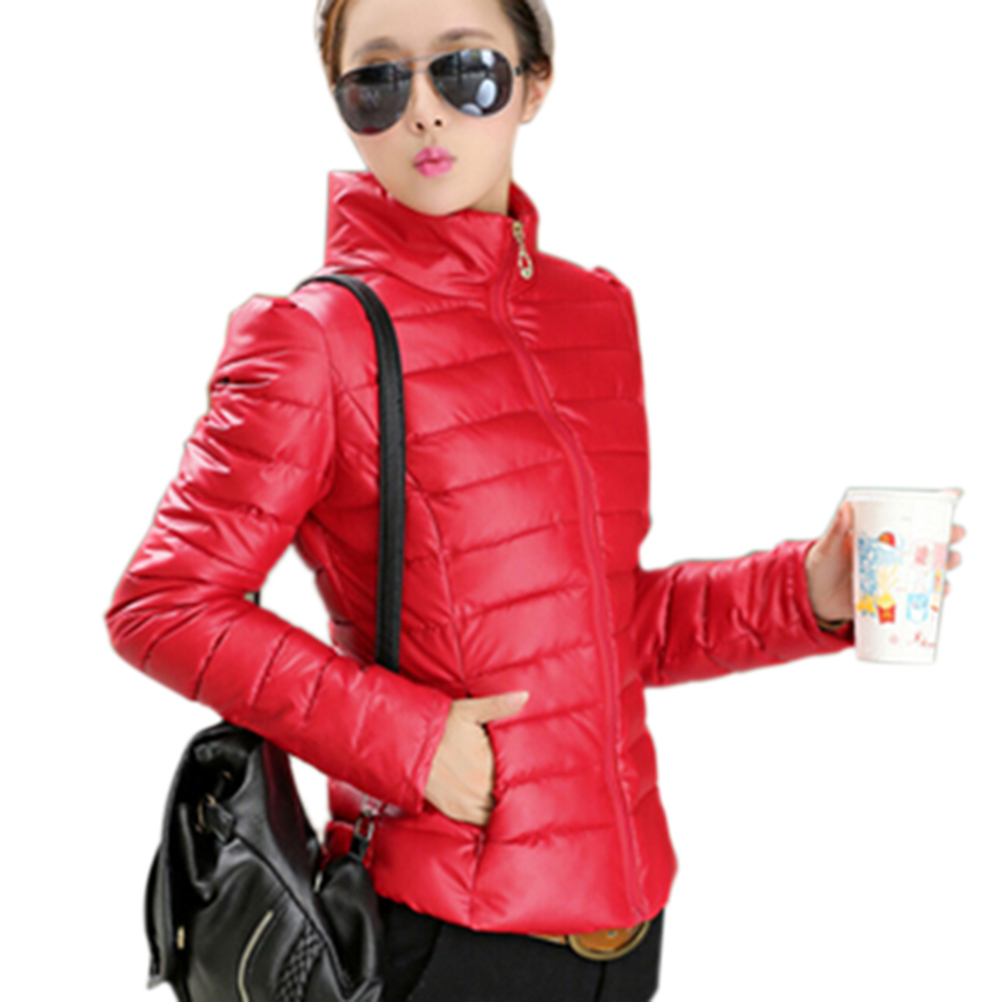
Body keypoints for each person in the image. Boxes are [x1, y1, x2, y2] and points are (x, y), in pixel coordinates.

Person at [104, 0, 966, 999]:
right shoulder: (315, 339)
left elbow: (604, 629)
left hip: (627, 925)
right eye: (377, 80)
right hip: (445, 934)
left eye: (464, 70)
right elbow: (162, 603)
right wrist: (411, 744)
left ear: (535, 83)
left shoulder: (592, 314)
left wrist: (807, 591)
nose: (423, 110)